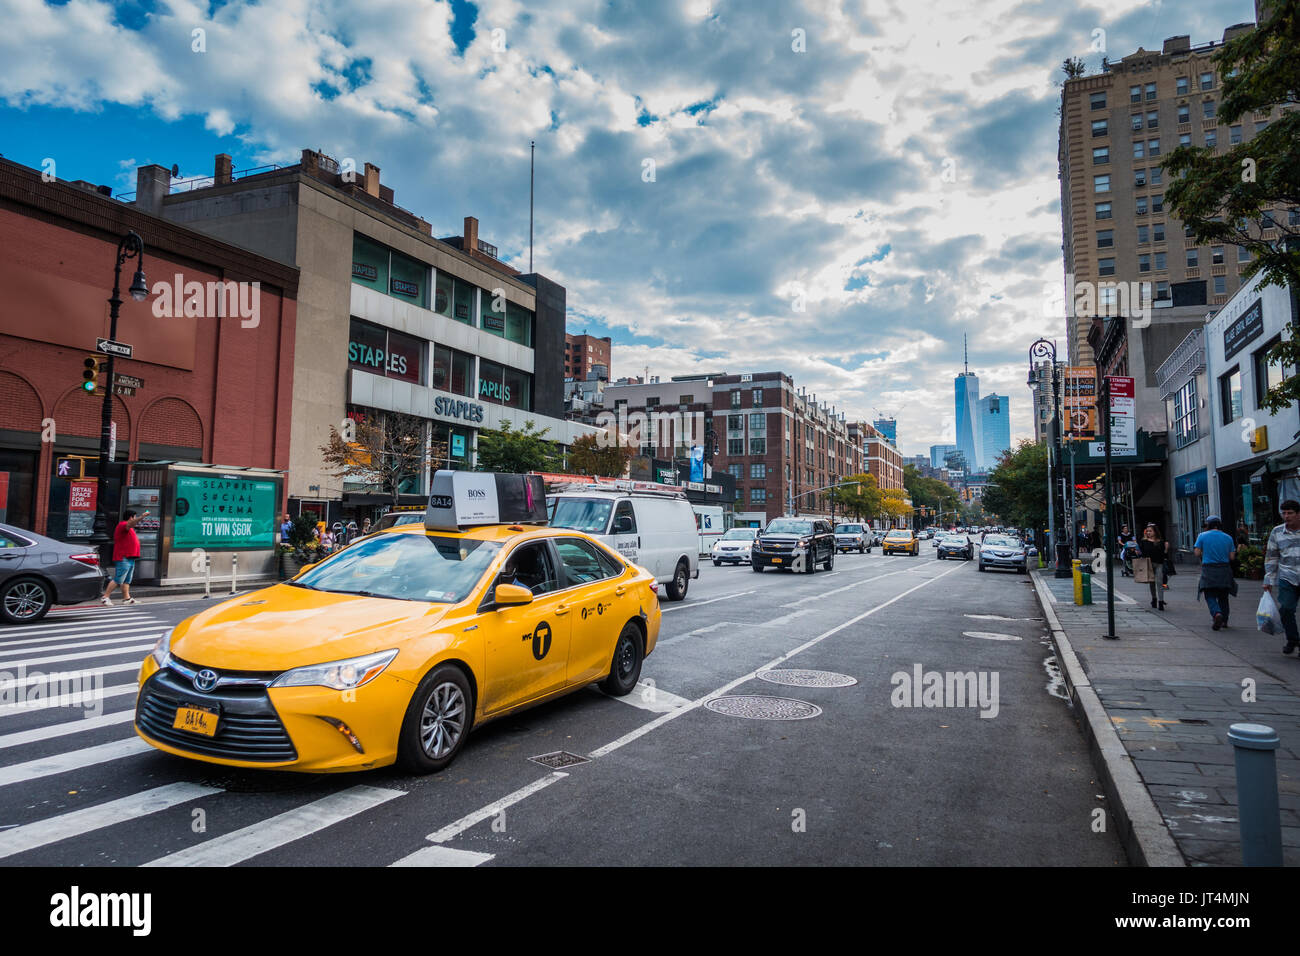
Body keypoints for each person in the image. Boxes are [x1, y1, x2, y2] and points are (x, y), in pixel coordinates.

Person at [1263, 499, 1300, 656]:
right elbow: (1272, 556)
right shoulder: (1277, 532)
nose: (1286, 516)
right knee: (1286, 609)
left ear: (1298, 514)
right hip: (1287, 576)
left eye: (1290, 513)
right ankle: (1293, 639)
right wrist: (1268, 579)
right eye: (1284, 513)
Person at [1194, 515, 1238, 630]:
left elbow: (1197, 553)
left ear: (1208, 525)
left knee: (1209, 594)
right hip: (1224, 569)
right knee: (1223, 596)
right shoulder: (1228, 537)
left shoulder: (1202, 536)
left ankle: (1216, 613)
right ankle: (1224, 620)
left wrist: (1205, 553)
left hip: (1208, 569)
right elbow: (1232, 557)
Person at [102, 509, 145, 606]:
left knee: (126, 580)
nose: (135, 520)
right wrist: (142, 517)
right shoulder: (123, 525)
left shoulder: (127, 527)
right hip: (123, 557)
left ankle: (127, 598)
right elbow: (130, 524)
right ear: (131, 517)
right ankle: (105, 597)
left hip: (130, 557)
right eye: (134, 517)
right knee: (118, 579)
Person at [1138, 524, 1170, 610]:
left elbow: (1165, 555)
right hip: (1148, 564)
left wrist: (1166, 549)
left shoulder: (1161, 541)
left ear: (1155, 532)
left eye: (1150, 531)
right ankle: (1154, 599)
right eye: (1147, 531)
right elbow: (1141, 553)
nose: (1148, 533)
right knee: (1152, 583)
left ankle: (1161, 601)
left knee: (1159, 582)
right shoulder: (1144, 541)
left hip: (1159, 563)